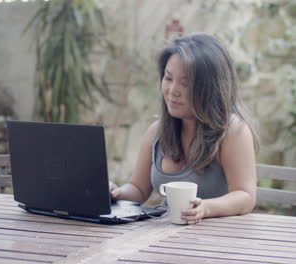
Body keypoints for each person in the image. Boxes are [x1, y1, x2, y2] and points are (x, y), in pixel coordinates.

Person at [110, 33, 259, 225]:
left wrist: (205, 208)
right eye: (168, 78)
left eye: (186, 83)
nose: (173, 91)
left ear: (210, 87)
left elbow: (245, 196)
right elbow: (139, 189)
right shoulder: (156, 132)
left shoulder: (232, 131)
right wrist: (117, 193)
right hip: (165, 236)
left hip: (217, 240)